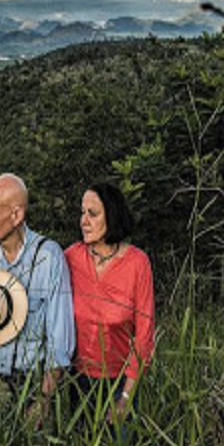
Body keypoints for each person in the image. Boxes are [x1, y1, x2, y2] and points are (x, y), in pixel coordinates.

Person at [0, 173, 75, 429]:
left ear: (16, 215)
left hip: (36, 383)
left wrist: (45, 398)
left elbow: (60, 338)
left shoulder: (49, 257)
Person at [64, 182, 154, 425]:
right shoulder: (71, 257)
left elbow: (144, 335)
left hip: (121, 381)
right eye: (82, 213)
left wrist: (125, 396)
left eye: (92, 214)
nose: (84, 220)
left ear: (112, 216)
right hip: (76, 381)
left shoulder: (137, 264)